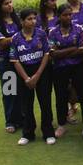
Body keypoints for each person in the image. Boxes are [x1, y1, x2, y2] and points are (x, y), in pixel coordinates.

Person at [10, 8, 54, 146]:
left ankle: (48, 133)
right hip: (24, 74)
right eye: (29, 19)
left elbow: (46, 54)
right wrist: (26, 78)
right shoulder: (16, 38)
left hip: (41, 71)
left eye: (34, 18)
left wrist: (37, 76)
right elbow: (15, 60)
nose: (33, 21)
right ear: (22, 21)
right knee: (26, 105)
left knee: (45, 103)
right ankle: (28, 133)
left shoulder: (41, 34)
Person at [47, 4, 83, 138]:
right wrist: (72, 49)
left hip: (78, 66)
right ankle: (61, 125)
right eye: (65, 15)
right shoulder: (53, 31)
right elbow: (53, 53)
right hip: (59, 69)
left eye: (70, 14)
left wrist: (62, 51)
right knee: (61, 96)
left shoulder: (78, 29)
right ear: (59, 16)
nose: (68, 17)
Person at [0, 0, 21, 132]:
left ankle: (21, 118)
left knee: (20, 90)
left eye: (10, 2)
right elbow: (1, 43)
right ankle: (10, 121)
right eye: (6, 3)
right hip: (6, 62)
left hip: (20, 60)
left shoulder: (17, 19)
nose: (10, 5)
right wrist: (19, 37)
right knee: (9, 91)